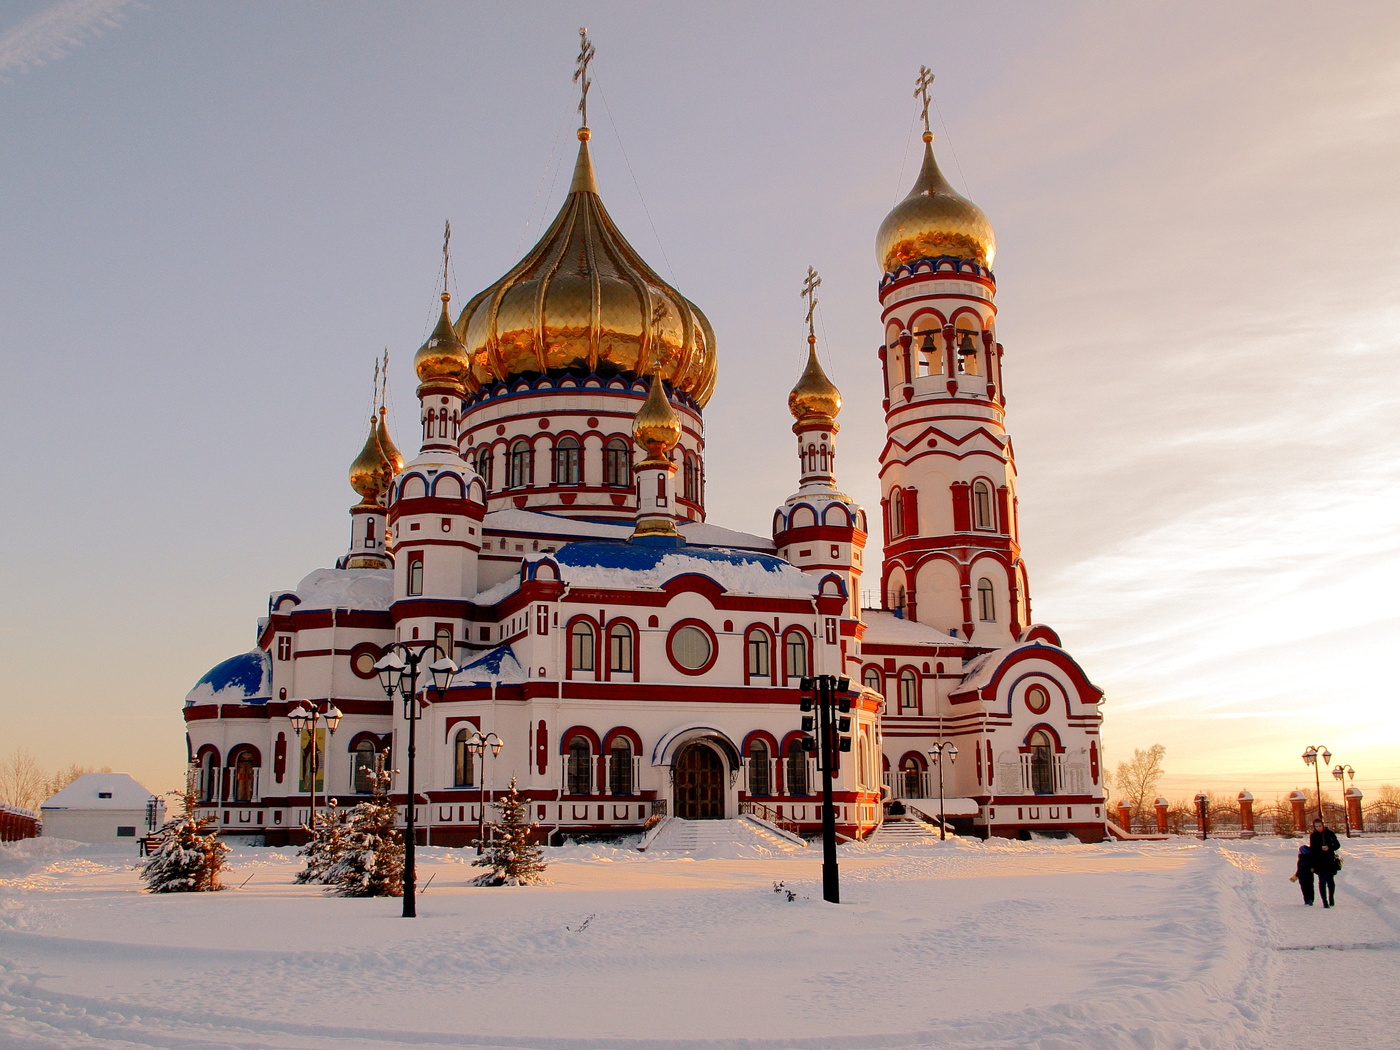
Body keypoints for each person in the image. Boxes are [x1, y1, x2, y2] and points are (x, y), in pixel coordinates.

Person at [1308, 818, 1341, 907]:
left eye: (1319, 826)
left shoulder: (1329, 833)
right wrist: (1311, 864)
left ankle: (1331, 898)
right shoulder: (1313, 836)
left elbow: (1337, 845)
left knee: (1330, 881)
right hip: (1319, 861)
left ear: (1323, 825)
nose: (1318, 828)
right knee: (1322, 881)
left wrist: (1329, 847)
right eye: (1316, 826)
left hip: (1329, 860)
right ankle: (1324, 901)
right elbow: (1312, 850)